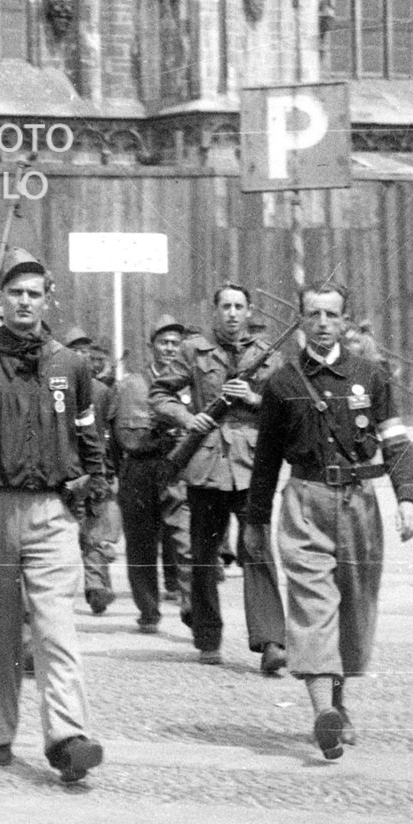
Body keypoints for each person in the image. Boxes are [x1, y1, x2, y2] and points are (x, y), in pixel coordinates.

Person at [0, 249, 108, 784]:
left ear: (47, 299)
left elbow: (87, 432)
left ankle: (68, 736)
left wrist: (92, 480)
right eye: (15, 293)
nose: (24, 302)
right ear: (1, 298)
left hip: (51, 510)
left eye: (34, 293)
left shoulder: (69, 365)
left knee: (57, 629)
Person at [244, 284, 413, 760]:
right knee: (312, 604)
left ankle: (340, 705)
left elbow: (396, 441)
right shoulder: (281, 384)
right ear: (300, 320)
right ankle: (323, 710)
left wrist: (409, 498)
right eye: (313, 314)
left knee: (354, 607)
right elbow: (265, 461)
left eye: (332, 314)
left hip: (360, 502)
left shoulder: (371, 376)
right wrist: (256, 519)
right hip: (305, 501)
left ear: (346, 321)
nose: (322, 323)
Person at [158, 285, 289, 675]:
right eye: (225, 307)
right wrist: (186, 418)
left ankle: (271, 642)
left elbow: (286, 407)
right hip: (207, 463)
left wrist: (253, 398)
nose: (232, 313)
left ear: (249, 312)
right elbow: (160, 394)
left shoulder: (268, 354)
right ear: (214, 311)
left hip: (252, 466)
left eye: (239, 307)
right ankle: (208, 636)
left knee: (257, 550)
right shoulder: (192, 351)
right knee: (203, 555)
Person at [111, 314, 190, 634]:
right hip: (139, 469)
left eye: (175, 343)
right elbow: (114, 435)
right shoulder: (130, 385)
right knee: (140, 544)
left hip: (177, 469)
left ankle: (191, 606)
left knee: (184, 540)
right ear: (151, 346)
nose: (170, 349)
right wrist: (124, 472)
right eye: (164, 343)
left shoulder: (190, 384)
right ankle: (148, 610)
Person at [64, 330, 123, 616]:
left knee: (95, 529)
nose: (82, 357)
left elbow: (112, 434)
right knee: (85, 531)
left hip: (90, 470)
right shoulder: (62, 389)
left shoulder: (99, 392)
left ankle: (96, 585)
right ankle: (95, 583)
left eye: (85, 352)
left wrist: (110, 470)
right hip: (74, 471)